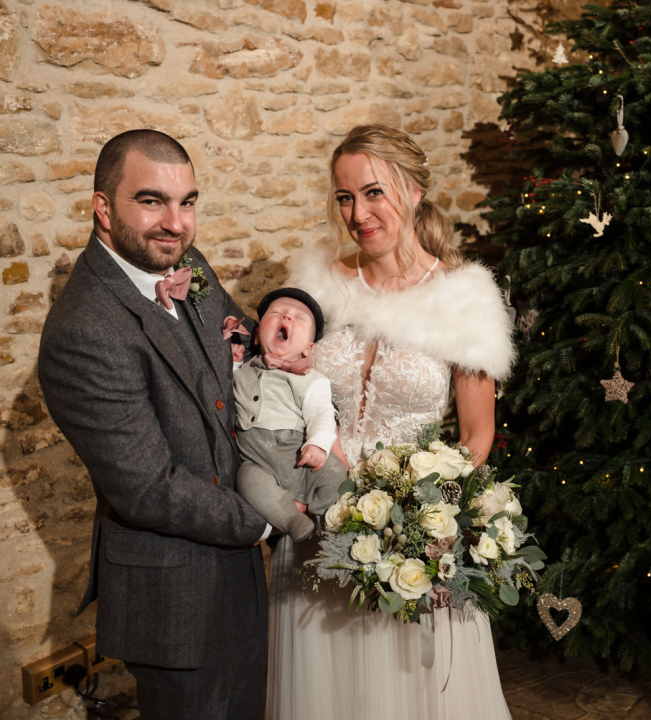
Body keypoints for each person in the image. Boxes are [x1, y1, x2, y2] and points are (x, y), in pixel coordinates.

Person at [266, 124, 516, 719]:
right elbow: (285, 383)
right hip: (314, 532)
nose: (359, 213)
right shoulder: (320, 286)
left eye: (373, 192)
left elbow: (477, 437)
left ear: (413, 190)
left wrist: (420, 509)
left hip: (407, 541)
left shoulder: (464, 297)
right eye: (345, 197)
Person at [37, 129, 271, 720]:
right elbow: (147, 486)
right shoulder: (83, 328)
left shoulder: (188, 265)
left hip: (238, 572)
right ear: (103, 207)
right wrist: (269, 519)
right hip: (174, 597)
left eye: (187, 201)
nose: (176, 222)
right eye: (151, 201)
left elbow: (244, 349)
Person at [233, 288, 347, 541]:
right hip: (257, 460)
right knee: (247, 480)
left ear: (309, 348)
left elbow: (321, 414)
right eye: (276, 313)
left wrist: (318, 444)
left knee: (336, 472)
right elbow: (233, 387)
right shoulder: (243, 370)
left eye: (299, 318)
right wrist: (233, 364)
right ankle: (290, 519)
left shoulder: (312, 380)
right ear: (255, 337)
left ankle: (327, 517)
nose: (286, 318)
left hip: (299, 453)